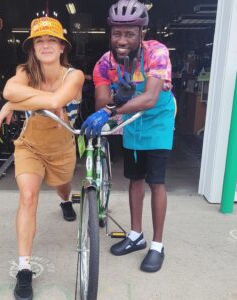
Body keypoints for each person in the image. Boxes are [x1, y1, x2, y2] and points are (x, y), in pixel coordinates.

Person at [81, 0, 176, 273]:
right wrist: (111, 102)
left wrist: (113, 108)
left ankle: (157, 245)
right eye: (117, 33)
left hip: (157, 120)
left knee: (156, 181)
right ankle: (136, 235)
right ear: (110, 33)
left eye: (130, 33)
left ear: (141, 33)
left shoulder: (157, 52)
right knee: (135, 179)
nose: (122, 39)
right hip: (132, 123)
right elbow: (101, 102)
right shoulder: (104, 63)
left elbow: (149, 98)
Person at [0, 16, 84, 300]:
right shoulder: (25, 70)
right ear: (32, 47)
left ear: (61, 47)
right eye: (39, 41)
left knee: (63, 185)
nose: (45, 45)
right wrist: (12, 98)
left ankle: (66, 201)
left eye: (51, 40)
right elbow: (9, 89)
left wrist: (15, 102)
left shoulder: (75, 76)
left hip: (61, 146)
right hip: (30, 144)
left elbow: (58, 101)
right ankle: (24, 269)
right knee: (28, 197)